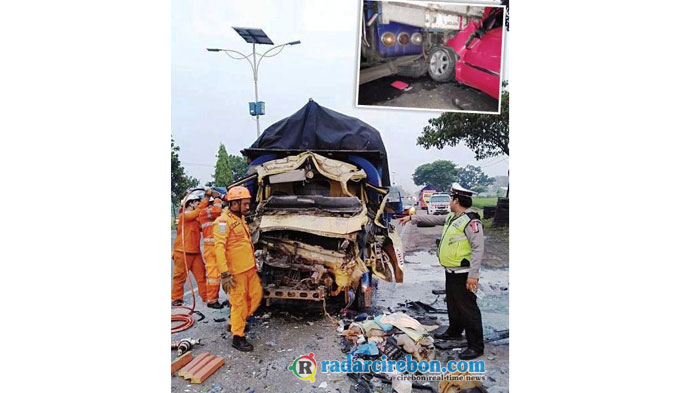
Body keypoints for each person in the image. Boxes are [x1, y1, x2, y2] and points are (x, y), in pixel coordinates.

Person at [399, 183, 485, 360]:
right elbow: (433, 220)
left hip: (464, 273)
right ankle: (454, 331)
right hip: (451, 271)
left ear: (456, 200)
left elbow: (478, 248)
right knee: (453, 304)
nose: (449, 202)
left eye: (451, 199)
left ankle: (476, 346)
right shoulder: (453, 217)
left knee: (468, 309)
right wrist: (412, 219)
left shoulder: (471, 221)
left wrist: (473, 275)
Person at [213, 186, 263, 352]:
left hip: (248, 269)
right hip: (235, 272)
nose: (248, 207)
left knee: (256, 296)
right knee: (239, 303)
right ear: (234, 204)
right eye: (245, 204)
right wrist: (225, 273)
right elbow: (219, 248)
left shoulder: (240, 218)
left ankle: (237, 322)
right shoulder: (222, 222)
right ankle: (238, 336)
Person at [171, 189, 210, 306]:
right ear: (190, 203)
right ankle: (176, 299)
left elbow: (202, 224)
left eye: (199, 202)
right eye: (196, 202)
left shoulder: (195, 219)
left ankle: (206, 297)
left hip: (195, 253)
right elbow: (196, 212)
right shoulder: (184, 216)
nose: (198, 204)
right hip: (182, 252)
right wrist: (206, 199)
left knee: (202, 276)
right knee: (179, 277)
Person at [198, 191, 225, 309]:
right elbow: (217, 210)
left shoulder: (213, 214)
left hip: (217, 247)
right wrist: (218, 197)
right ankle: (212, 300)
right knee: (213, 276)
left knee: (219, 274)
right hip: (211, 248)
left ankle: (215, 299)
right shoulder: (206, 212)